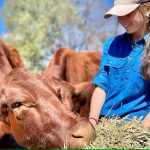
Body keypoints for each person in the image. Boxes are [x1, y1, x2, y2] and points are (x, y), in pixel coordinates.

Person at [89, 0, 150, 128]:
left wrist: (142, 132)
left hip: (137, 127)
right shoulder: (112, 44)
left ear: (147, 9)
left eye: (127, 13)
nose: (122, 20)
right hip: (104, 124)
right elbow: (102, 85)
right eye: (119, 14)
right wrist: (92, 122)